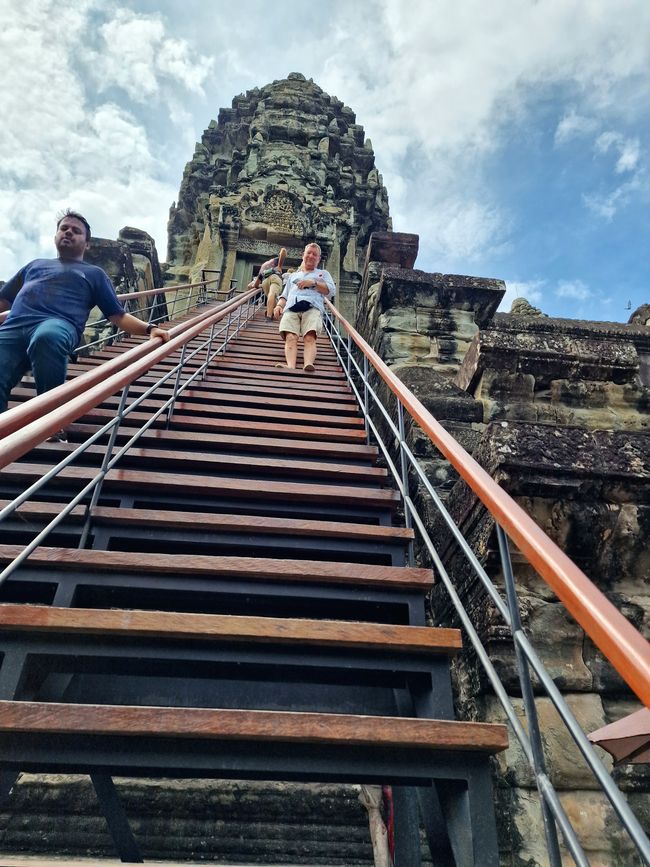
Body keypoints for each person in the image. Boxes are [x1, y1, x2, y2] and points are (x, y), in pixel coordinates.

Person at [0, 209, 170, 433]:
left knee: (47, 337)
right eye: (64, 228)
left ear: (87, 244)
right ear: (55, 235)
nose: (68, 232)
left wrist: (150, 329)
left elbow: (117, 315)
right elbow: (4, 299)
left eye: (76, 231)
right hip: (14, 326)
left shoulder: (94, 274)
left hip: (57, 324)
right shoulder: (35, 265)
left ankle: (50, 424)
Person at [272, 242, 335, 372]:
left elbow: (331, 291)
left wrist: (313, 283)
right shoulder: (293, 276)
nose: (311, 256)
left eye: (315, 254)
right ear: (303, 255)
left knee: (309, 336)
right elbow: (285, 295)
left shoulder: (323, 274)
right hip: (291, 307)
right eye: (308, 253)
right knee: (290, 337)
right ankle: (290, 365)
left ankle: (308, 363)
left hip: (312, 307)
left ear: (318, 259)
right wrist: (278, 306)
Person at [247, 248, 287, 318]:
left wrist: (257, 285)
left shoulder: (263, 267)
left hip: (264, 281)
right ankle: (269, 316)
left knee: (270, 296)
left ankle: (270, 312)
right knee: (272, 294)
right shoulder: (274, 261)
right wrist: (279, 266)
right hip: (275, 277)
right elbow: (283, 250)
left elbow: (255, 285)